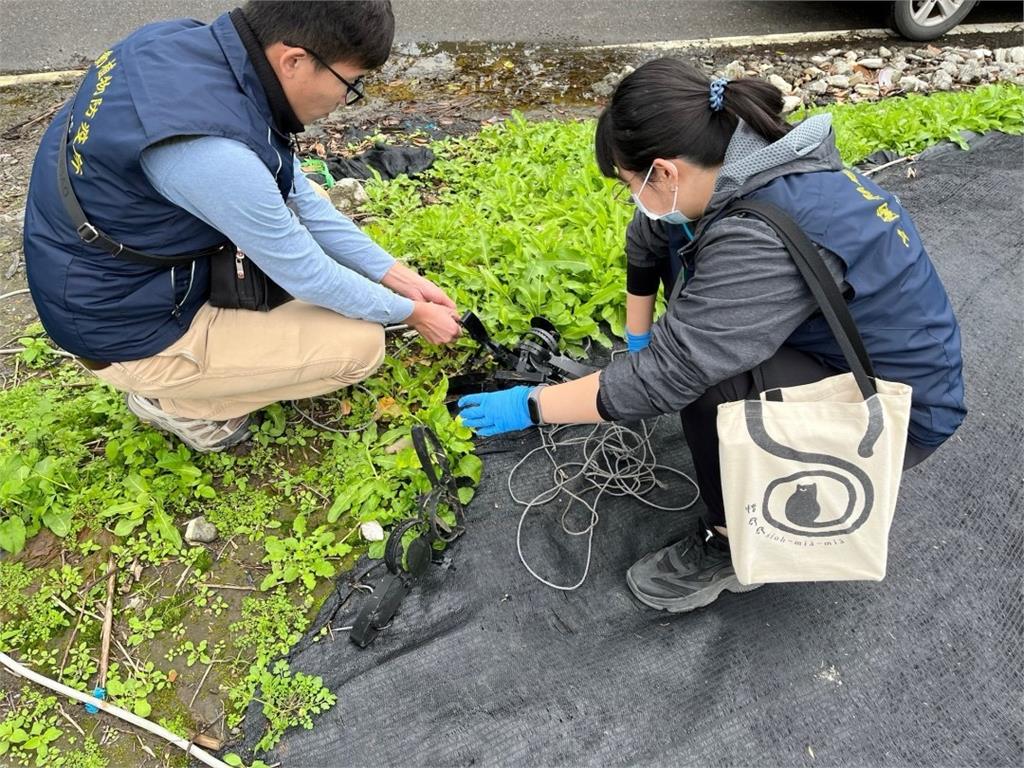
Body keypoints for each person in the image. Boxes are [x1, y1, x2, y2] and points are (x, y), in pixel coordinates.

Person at [457, 58, 966, 614]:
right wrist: (636, 339)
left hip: (896, 407)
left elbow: (668, 378)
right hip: (838, 344)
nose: (634, 198)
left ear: (665, 172)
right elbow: (647, 238)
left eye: (631, 184)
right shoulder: (740, 158)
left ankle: (733, 544)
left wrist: (530, 406)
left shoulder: (757, 238)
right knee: (682, 261)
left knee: (708, 384)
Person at [22, 1, 461, 453]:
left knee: (303, 224)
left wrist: (397, 276)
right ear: (293, 60)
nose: (343, 101)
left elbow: (299, 195)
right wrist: (409, 312)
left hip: (99, 267)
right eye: (350, 84)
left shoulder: (179, 43)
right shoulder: (212, 155)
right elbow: (308, 273)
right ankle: (173, 401)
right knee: (359, 346)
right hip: (124, 329)